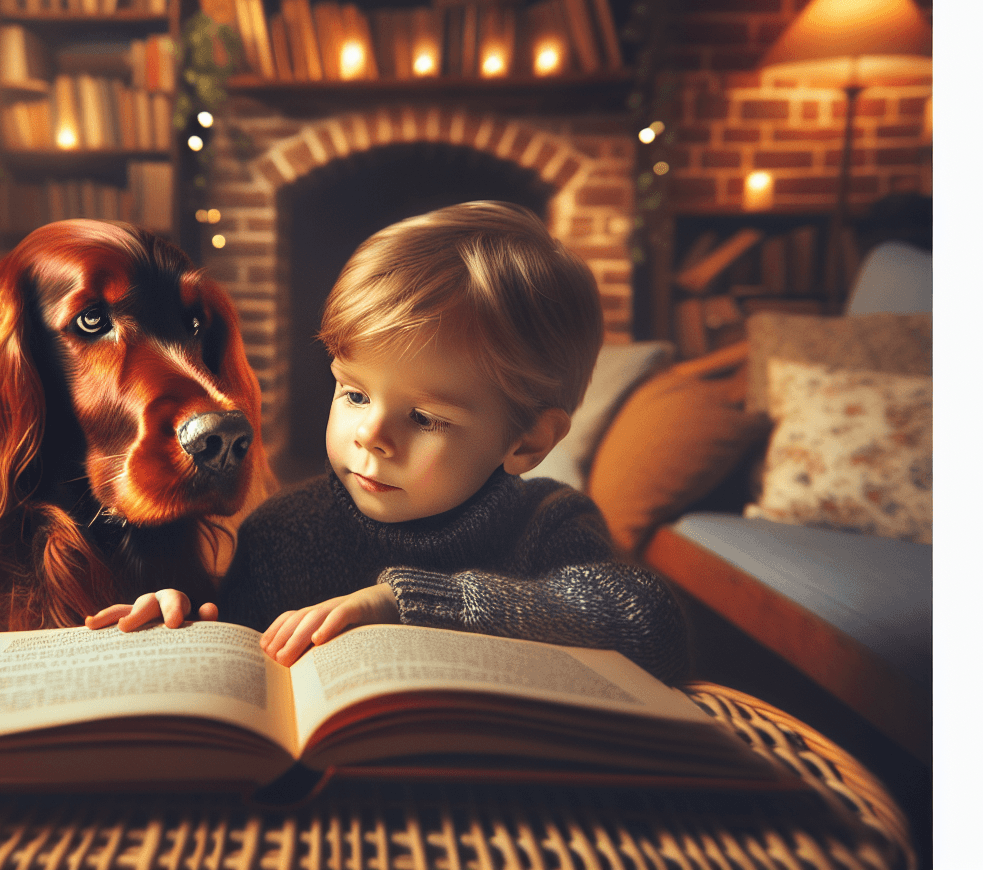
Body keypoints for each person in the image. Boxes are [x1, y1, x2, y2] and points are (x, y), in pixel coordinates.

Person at [86, 201, 688, 683]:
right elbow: (248, 660)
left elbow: (650, 625)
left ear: (527, 440)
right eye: (353, 395)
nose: (371, 436)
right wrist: (187, 626)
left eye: (425, 418)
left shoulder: (549, 523)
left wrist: (408, 602)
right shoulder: (281, 533)